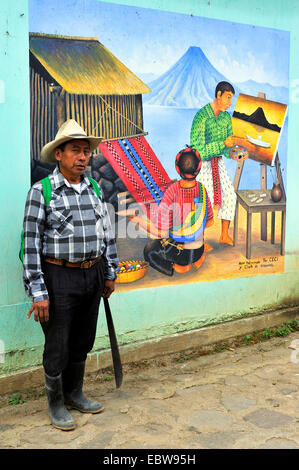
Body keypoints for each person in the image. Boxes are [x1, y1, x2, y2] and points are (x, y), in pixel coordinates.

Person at [22, 119, 119, 431]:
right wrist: (38, 292)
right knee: (58, 343)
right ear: (59, 155)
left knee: (83, 339)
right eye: (76, 151)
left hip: (92, 274)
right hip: (58, 277)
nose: (83, 157)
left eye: (86, 152)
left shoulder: (93, 189)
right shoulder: (42, 192)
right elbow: (30, 243)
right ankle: (55, 404)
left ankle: (75, 394)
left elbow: (106, 233)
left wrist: (110, 272)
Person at [128, 147, 214, 276]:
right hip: (198, 248)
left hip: (180, 253)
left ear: (177, 168)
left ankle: (180, 266)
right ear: (199, 167)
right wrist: (193, 231)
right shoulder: (202, 189)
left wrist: (138, 220)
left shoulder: (172, 191)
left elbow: (161, 232)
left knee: (149, 251)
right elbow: (210, 221)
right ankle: (198, 258)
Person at [190, 81, 247, 247]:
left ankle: (224, 234)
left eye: (231, 98)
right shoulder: (201, 117)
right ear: (219, 95)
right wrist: (223, 143)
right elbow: (198, 150)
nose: (230, 102)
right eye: (228, 97)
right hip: (202, 166)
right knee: (201, 201)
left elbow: (227, 149)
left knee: (230, 195)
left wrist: (236, 154)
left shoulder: (225, 117)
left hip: (218, 163)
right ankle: (199, 239)